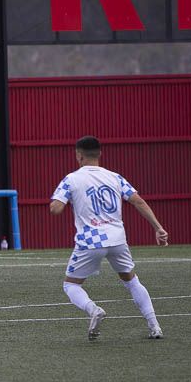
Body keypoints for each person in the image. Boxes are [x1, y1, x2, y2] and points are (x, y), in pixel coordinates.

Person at [50, 136, 168, 340]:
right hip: (117, 239)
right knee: (131, 281)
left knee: (71, 285)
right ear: (100, 154)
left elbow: (56, 208)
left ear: (78, 155)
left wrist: (61, 202)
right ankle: (154, 326)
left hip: (90, 241)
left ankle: (94, 309)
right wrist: (158, 228)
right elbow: (138, 202)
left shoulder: (72, 179)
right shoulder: (115, 177)